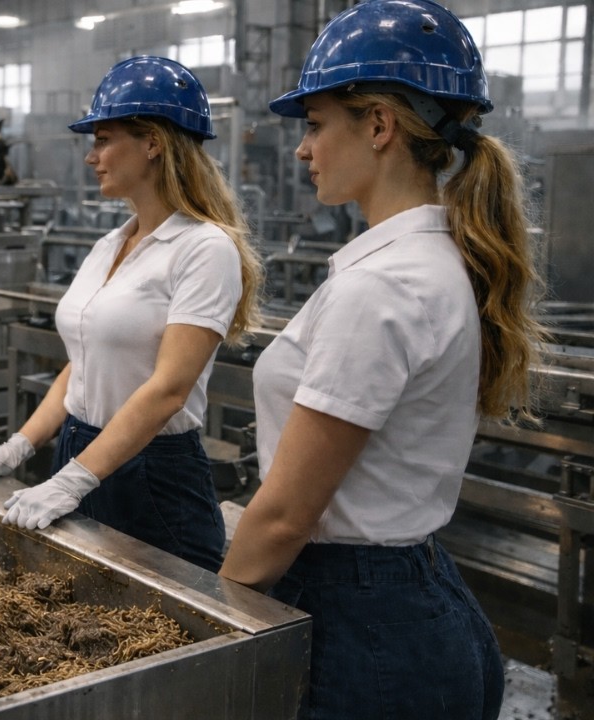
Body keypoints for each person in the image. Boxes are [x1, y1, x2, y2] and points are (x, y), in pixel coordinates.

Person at [218, 0, 546, 717]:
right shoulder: (433, 261)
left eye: (315, 124)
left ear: (378, 126)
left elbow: (285, 518)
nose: (302, 149)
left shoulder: (383, 285)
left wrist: (209, 624)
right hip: (417, 598)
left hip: (364, 635)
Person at [0, 56, 264, 573]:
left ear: (153, 143)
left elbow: (168, 389)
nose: (92, 157)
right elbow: (83, 361)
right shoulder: (108, 245)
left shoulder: (204, 248)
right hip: (77, 446)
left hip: (153, 472)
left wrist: (73, 479)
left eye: (103, 140)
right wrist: (19, 447)